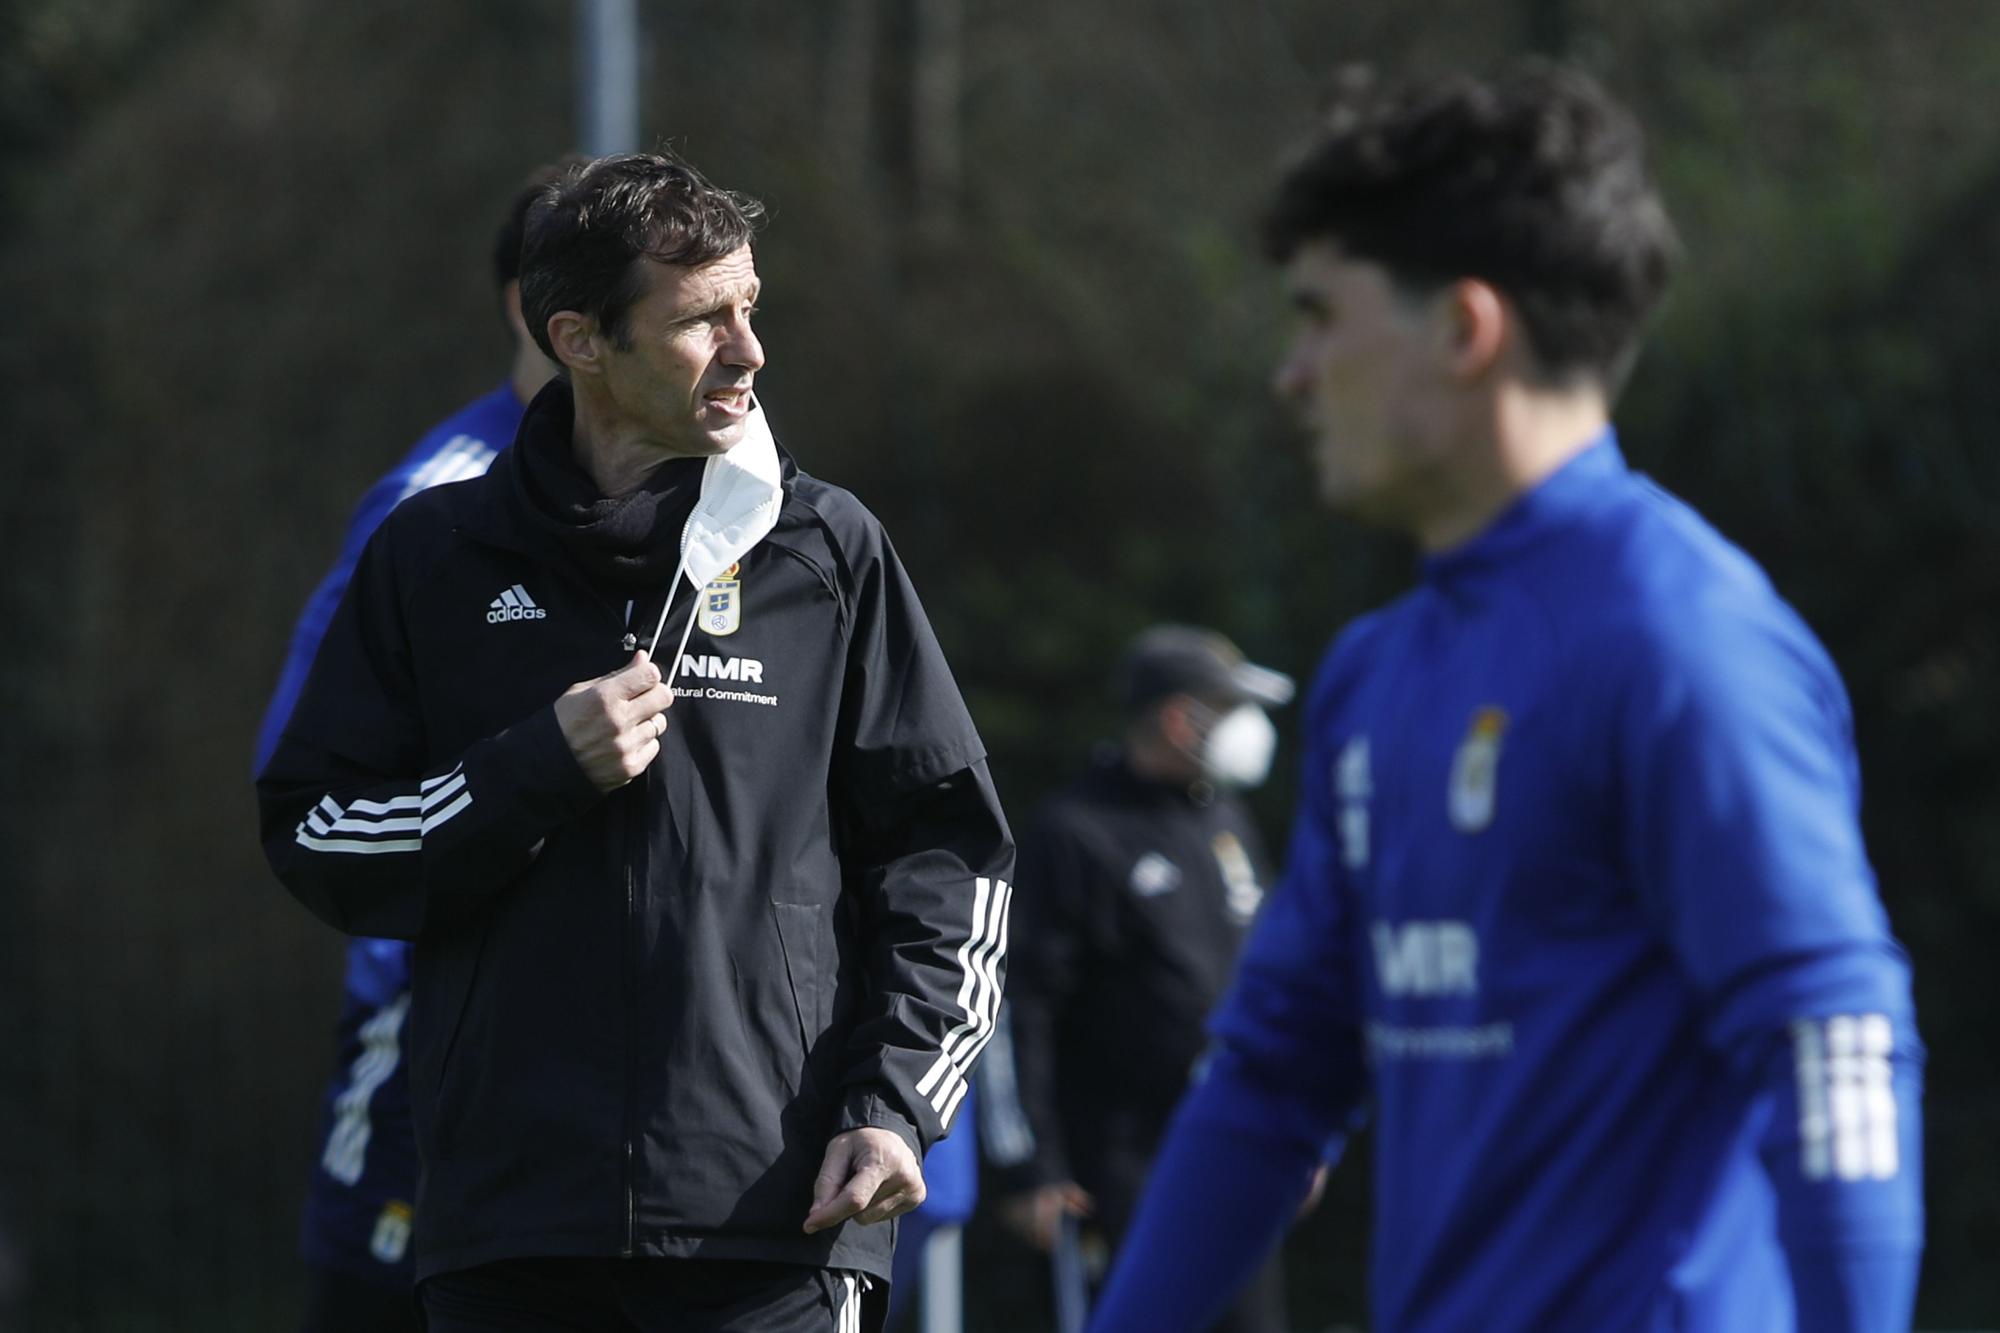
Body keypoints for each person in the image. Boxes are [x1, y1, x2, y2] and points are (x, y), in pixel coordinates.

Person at [1087, 65, 1924, 1333]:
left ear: (1464, 330)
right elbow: (1268, 1081)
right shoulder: (1377, 673)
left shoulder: (1679, 641)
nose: (1292, 375)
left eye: (1320, 316)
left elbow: (1830, 1037)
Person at [256, 151, 1014, 1333]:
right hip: (510, 1229)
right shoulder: (431, 555)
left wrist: (893, 1100)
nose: (748, 351)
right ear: (579, 339)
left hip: (781, 1229)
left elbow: (950, 857)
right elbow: (314, 830)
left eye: (750, 307)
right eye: (701, 320)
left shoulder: (826, 551)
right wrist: (526, 771)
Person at [252, 162, 564, 1333]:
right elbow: (308, 775)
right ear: (544, 312)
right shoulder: (434, 507)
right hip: (443, 1043)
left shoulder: (729, 509)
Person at [986, 626, 1297, 1332]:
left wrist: (1298, 1127)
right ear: (1179, 717)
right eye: (1234, 706)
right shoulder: (1076, 830)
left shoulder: (1228, 818)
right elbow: (1016, 1006)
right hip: (1114, 1176)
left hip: (1236, 1157)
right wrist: (1028, 1165)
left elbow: (1275, 982)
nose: (1252, 728)